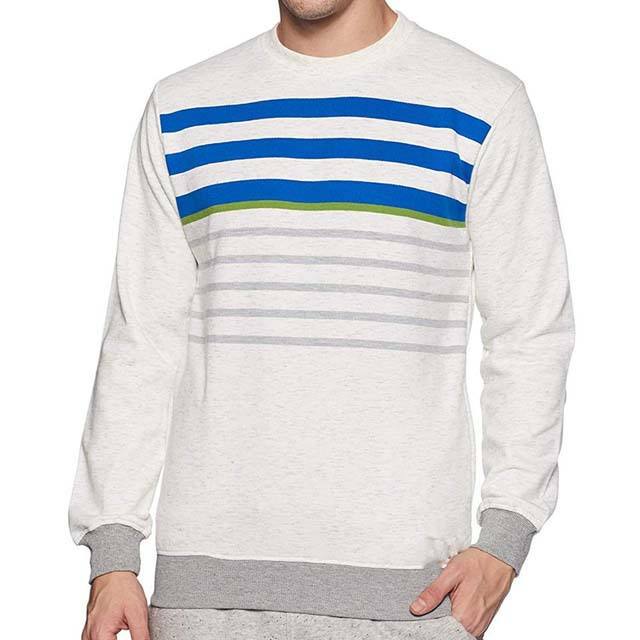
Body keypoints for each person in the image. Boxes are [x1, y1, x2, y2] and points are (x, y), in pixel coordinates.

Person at [69, 1, 574, 638]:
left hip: (407, 595)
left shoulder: (481, 103)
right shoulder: (183, 109)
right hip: (206, 596)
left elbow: (530, 330)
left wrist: (506, 536)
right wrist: (113, 552)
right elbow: (140, 338)